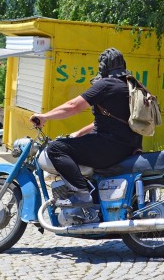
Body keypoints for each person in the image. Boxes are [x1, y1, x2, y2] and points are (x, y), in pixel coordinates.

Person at [30, 48, 142, 206]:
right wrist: (77, 134)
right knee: (74, 146)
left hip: (109, 147)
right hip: (129, 148)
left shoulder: (106, 84)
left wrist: (44, 117)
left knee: (55, 148)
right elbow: (107, 121)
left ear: (103, 66)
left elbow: (73, 106)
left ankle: (80, 194)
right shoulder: (131, 85)